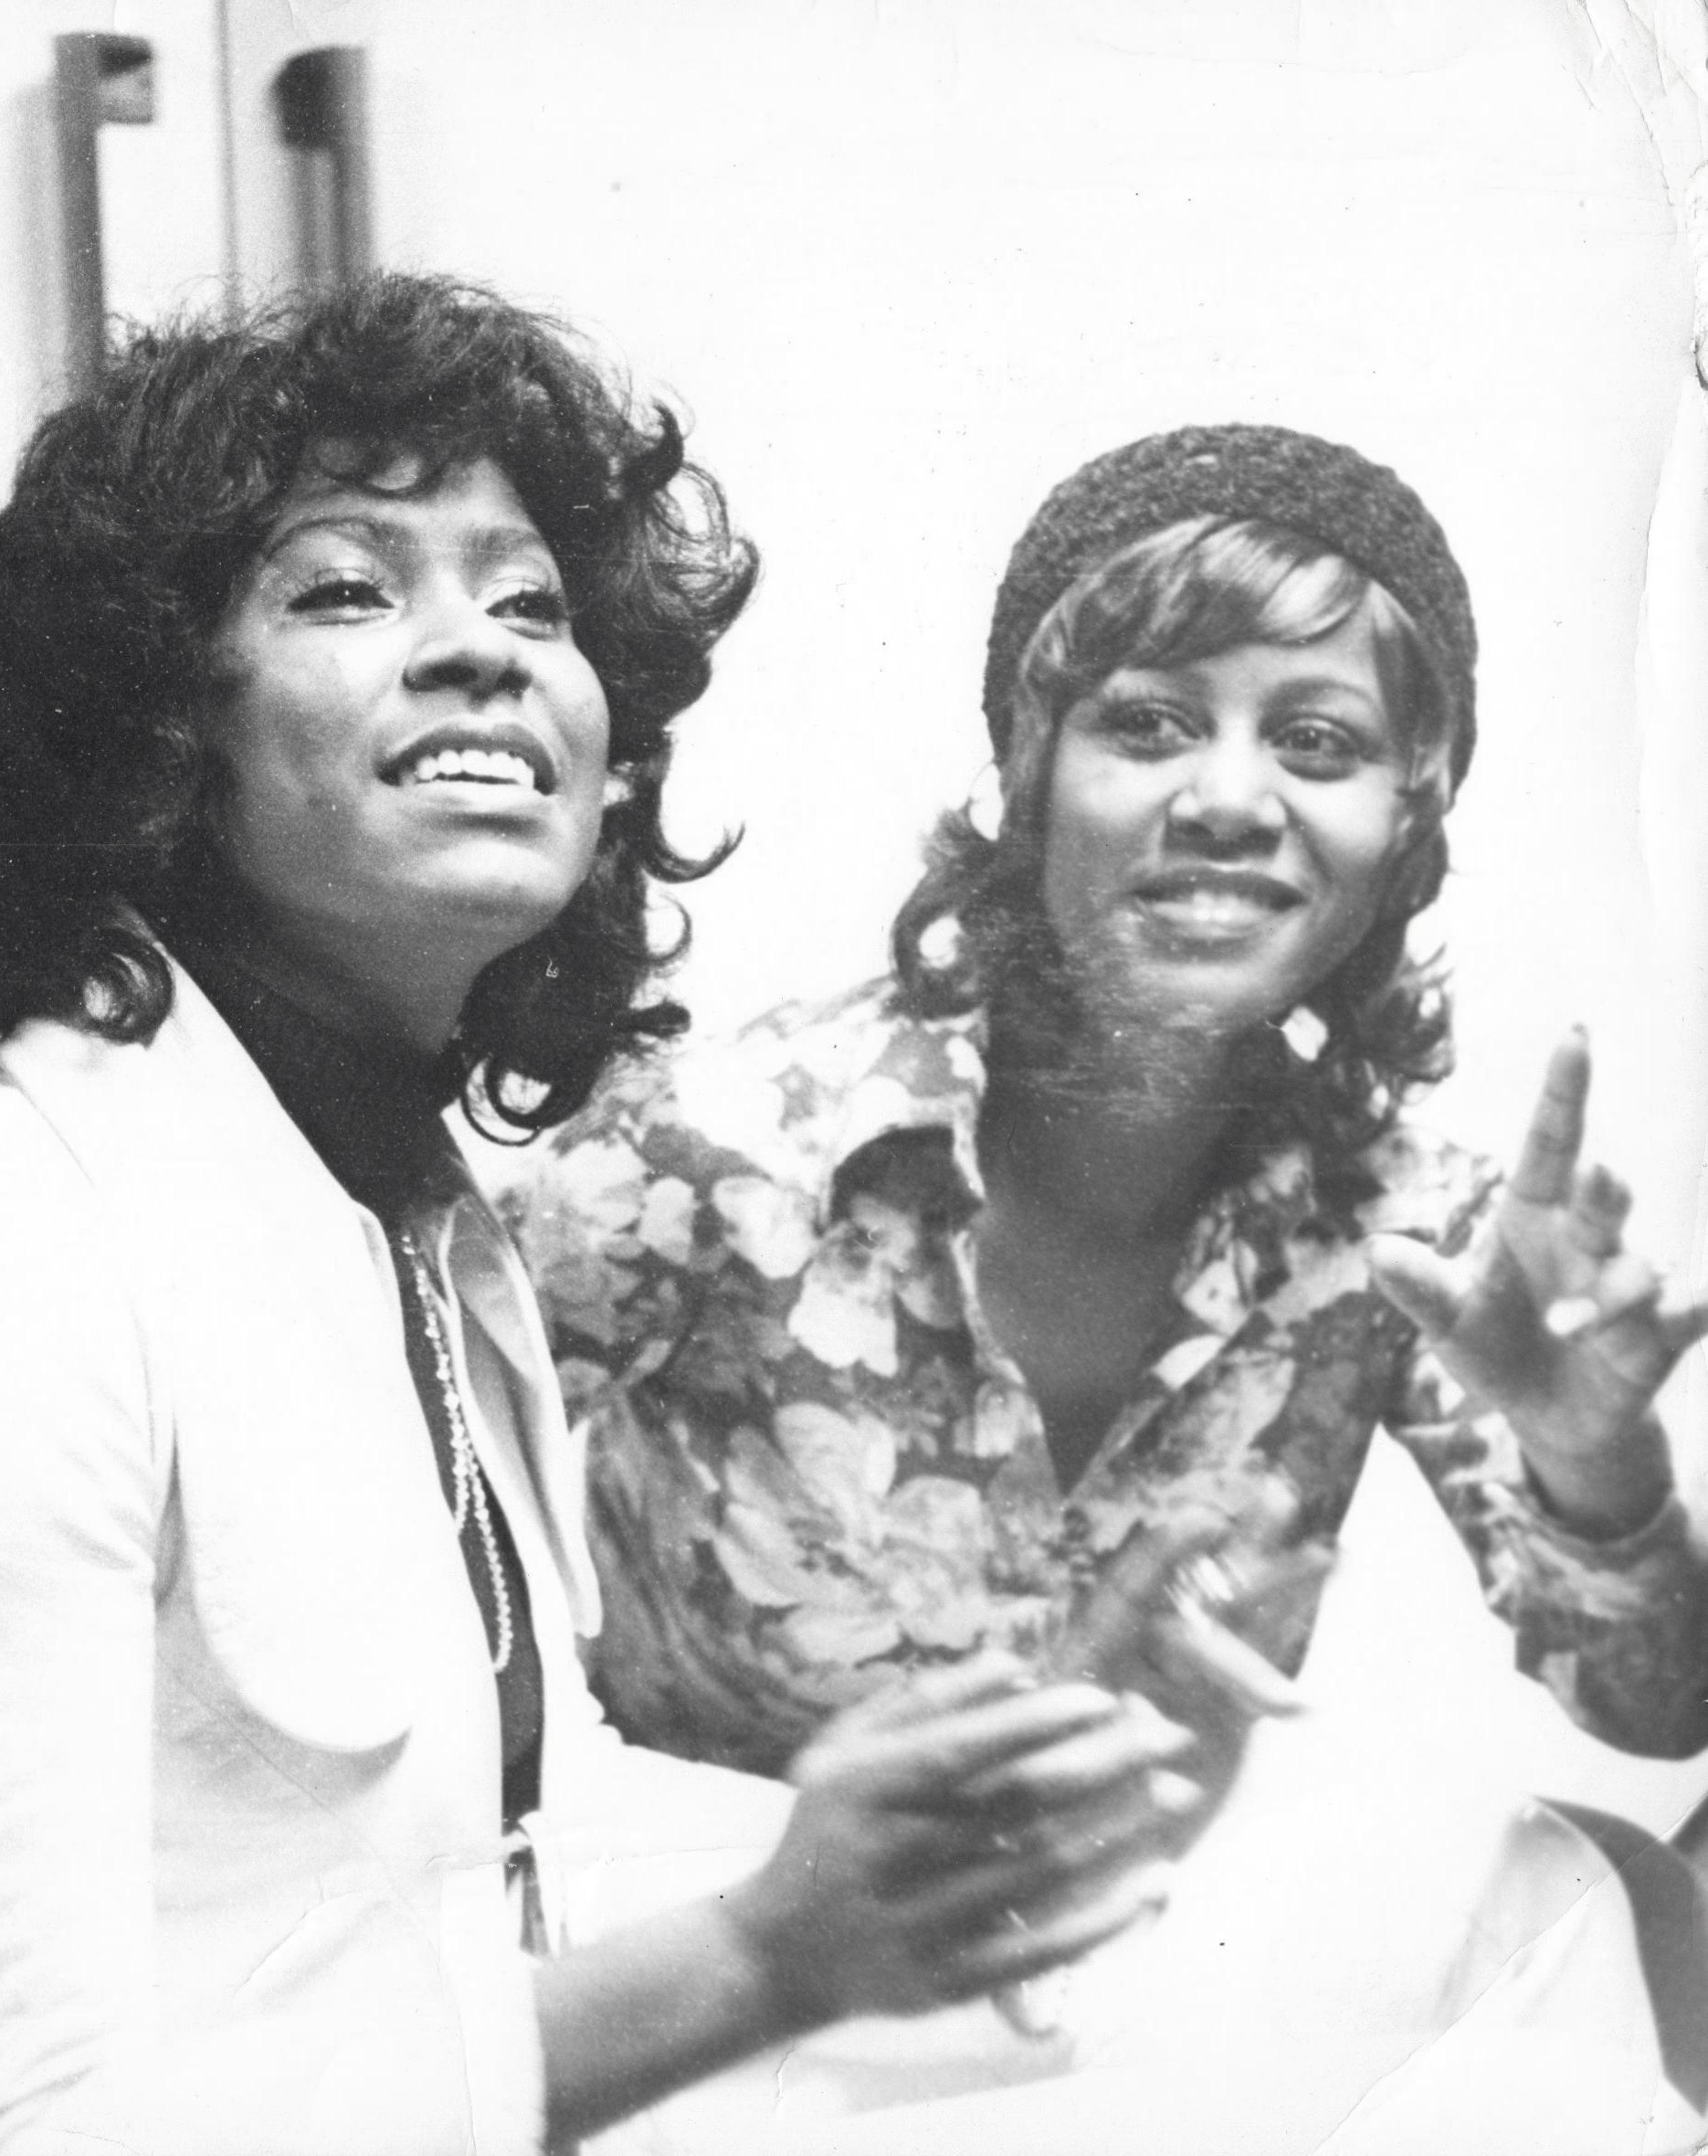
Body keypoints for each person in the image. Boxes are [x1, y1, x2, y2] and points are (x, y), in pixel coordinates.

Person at [0, 277, 1218, 2156]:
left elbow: (452, 1930)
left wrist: (956, 1820)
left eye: (533, 604)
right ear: (147, 732)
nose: (483, 654)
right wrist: (765, 1953)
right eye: (346, 588)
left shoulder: (415, 1231)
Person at [517, 424, 1708, 2140]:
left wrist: (1603, 1465)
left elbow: (1659, 1709)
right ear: (1029, 770)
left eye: (1318, 741)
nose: (1229, 798)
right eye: (1148, 722)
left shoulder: (1404, 1240)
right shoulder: (701, 1158)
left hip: (1131, 2026)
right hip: (737, 2036)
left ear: (1404, 824)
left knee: (1574, 1906)